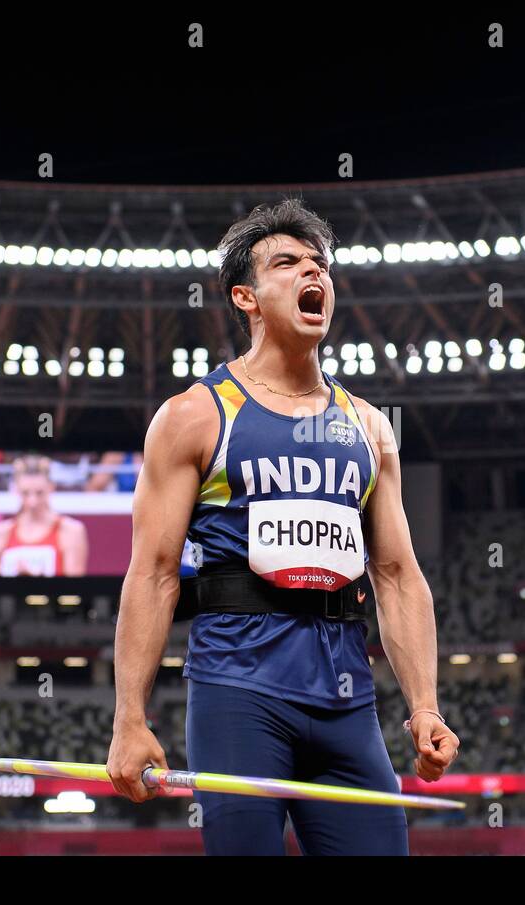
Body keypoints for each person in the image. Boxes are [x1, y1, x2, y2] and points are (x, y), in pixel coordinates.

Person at [105, 198, 458, 855]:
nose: (311, 274)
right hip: (239, 690)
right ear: (247, 296)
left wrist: (425, 706)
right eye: (287, 263)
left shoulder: (370, 427)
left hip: (346, 698)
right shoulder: (194, 416)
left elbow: (397, 575)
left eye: (319, 264)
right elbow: (152, 573)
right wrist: (130, 717)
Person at [0, 455, 89, 576]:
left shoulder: (71, 530)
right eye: (25, 493)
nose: (32, 501)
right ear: (15, 490)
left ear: (51, 487)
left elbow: (75, 590)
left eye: (39, 493)